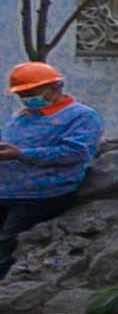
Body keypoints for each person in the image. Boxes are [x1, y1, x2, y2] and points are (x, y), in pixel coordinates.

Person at [0, 62, 90, 273]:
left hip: (41, 194)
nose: (27, 97)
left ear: (54, 87)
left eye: (31, 91)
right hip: (7, 190)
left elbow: (74, 153)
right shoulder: (23, 116)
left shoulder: (81, 116)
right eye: (22, 93)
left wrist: (21, 154)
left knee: (7, 243)